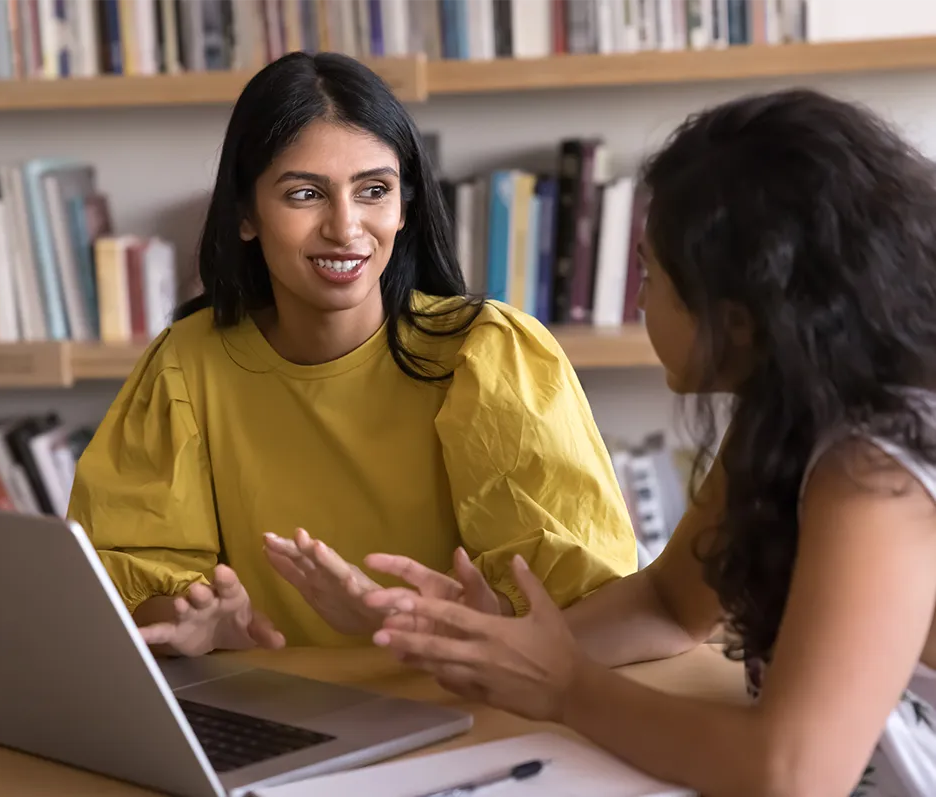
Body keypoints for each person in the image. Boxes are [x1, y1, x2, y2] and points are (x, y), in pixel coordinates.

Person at [366, 88, 936, 797]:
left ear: (739, 322)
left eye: (651, 273)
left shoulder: (872, 475)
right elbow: (671, 605)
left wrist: (567, 687)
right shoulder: (791, 416)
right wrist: (513, 650)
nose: (638, 299)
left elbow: (791, 771)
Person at [66, 51, 638, 655]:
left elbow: (584, 601)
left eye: (373, 190)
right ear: (245, 216)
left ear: (404, 207)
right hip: (271, 716)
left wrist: (443, 620)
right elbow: (126, 575)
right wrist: (196, 622)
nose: (346, 228)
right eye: (305, 194)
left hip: (463, 707)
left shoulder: (488, 354)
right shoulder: (185, 365)